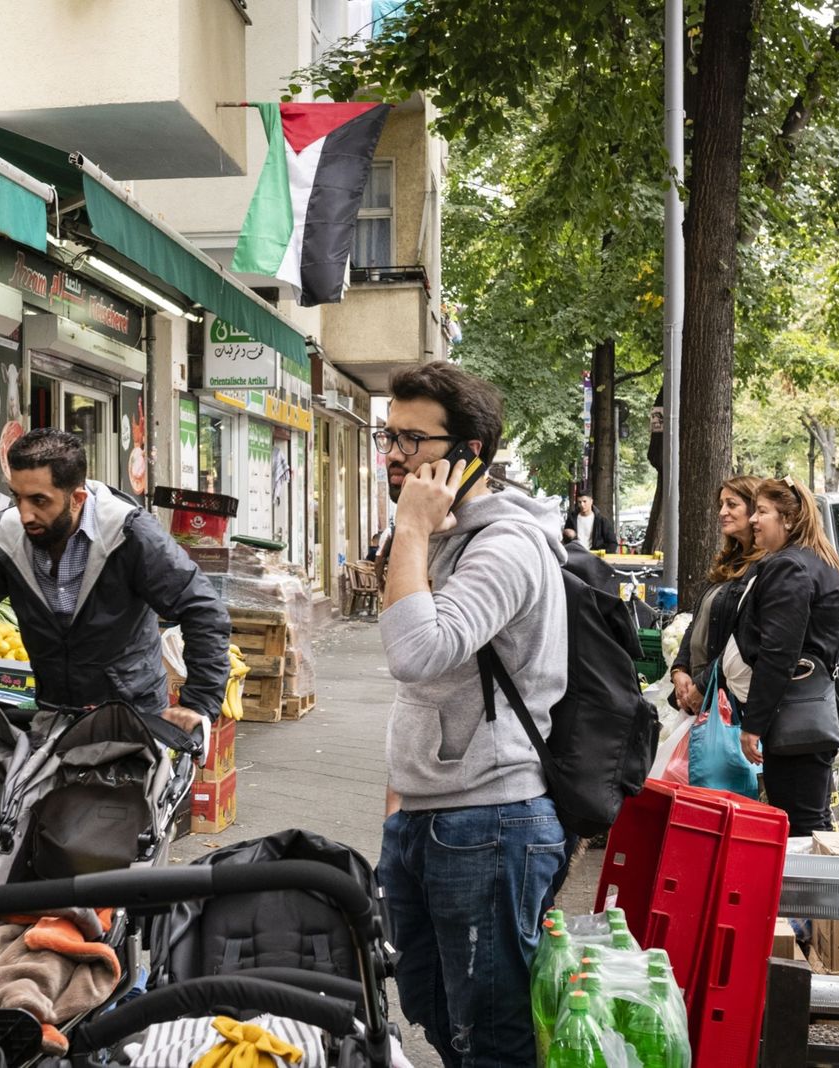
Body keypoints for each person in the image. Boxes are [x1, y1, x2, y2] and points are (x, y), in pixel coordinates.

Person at [373, 363, 568, 1068]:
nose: (394, 456)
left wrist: (410, 531)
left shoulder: (505, 548)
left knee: (491, 1032)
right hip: (427, 814)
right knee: (427, 1001)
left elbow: (414, 653)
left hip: (491, 821)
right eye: (388, 436)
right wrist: (401, 795)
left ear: (471, 449)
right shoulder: (446, 536)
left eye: (413, 440)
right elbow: (426, 687)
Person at [0, 429, 228, 734]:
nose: (25, 514)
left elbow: (203, 609)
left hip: (133, 719)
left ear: (77, 498)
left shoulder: (129, 535)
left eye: (39, 501)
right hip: (54, 715)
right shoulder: (7, 536)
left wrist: (199, 703)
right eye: (17, 497)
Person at [730, 477, 839, 835]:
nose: (754, 520)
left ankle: (806, 890)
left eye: (762, 511)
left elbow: (779, 652)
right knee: (809, 814)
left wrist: (753, 726)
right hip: (817, 705)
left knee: (800, 822)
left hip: (800, 711)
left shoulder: (789, 566)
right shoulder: (818, 561)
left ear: (788, 519)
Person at [668, 475, 765, 715]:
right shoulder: (729, 562)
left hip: (726, 697)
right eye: (721, 505)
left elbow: (743, 639)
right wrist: (679, 669)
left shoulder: (764, 567)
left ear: (753, 510)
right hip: (700, 690)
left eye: (732, 504)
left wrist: (704, 684)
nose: (723, 512)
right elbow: (697, 620)